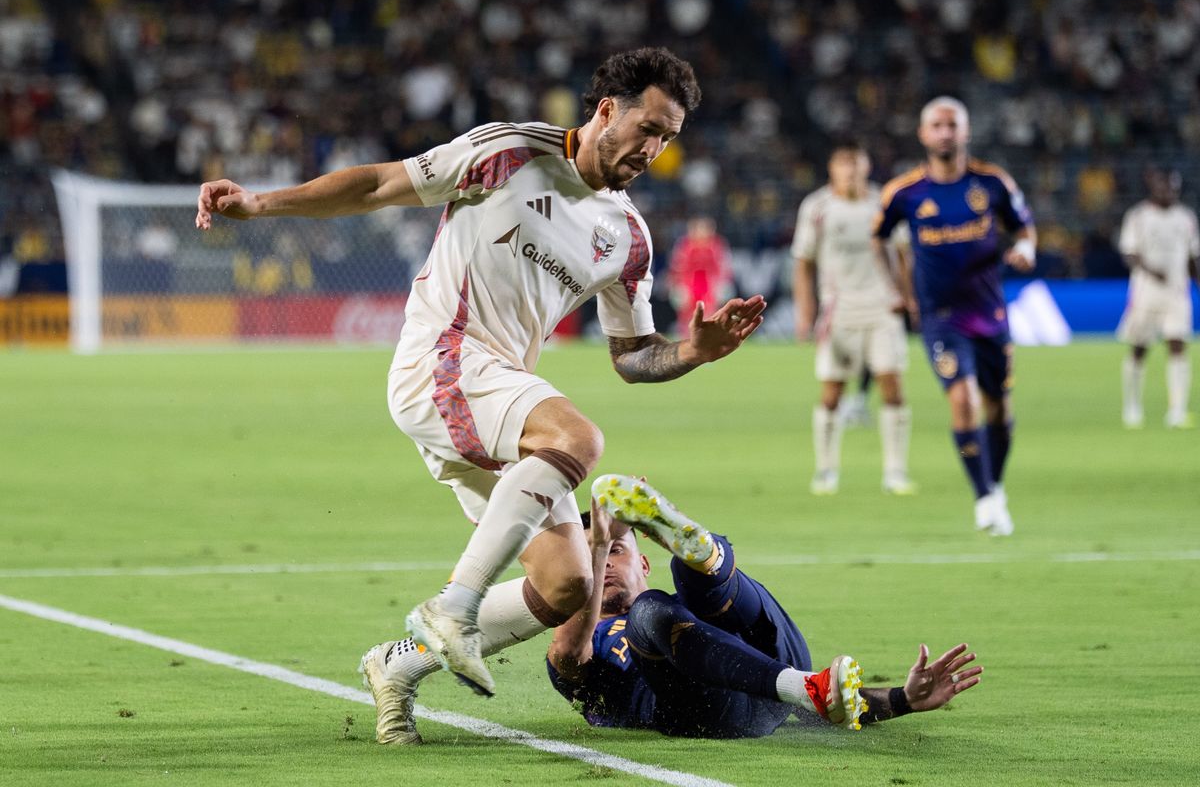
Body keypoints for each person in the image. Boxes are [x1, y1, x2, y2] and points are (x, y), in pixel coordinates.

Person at [195, 47, 767, 744]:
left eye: (668, 138)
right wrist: (261, 202)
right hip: (443, 362)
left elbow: (634, 357)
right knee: (580, 439)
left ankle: (399, 663)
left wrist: (693, 353)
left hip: (498, 401)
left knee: (568, 586)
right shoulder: (509, 153)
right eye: (648, 128)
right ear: (607, 110)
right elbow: (379, 184)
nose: (654, 148)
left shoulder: (629, 240)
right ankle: (453, 609)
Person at [546, 474, 983, 738]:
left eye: (614, 553)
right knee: (649, 613)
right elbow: (567, 656)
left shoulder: (685, 609)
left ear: (642, 561)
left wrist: (901, 700)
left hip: (773, 679)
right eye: (587, 558)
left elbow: (822, 707)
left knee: (691, 583)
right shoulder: (582, 638)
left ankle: (696, 551)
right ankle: (687, 544)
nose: (601, 566)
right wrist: (602, 543)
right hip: (698, 715)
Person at [873, 97, 1037, 536]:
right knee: (962, 400)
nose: (945, 132)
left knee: (998, 407)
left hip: (989, 314)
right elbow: (880, 239)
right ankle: (984, 497)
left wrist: (1025, 248)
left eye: (952, 125)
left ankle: (994, 483)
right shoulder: (904, 193)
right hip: (940, 317)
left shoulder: (993, 183)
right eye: (937, 125)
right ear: (924, 135)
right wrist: (898, 289)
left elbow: (1024, 227)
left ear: (965, 132)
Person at [793, 142, 915, 496]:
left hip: (883, 308)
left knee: (892, 387)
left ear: (866, 168)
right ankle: (826, 471)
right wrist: (806, 311)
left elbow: (904, 254)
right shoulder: (817, 208)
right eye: (843, 167)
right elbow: (803, 262)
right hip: (839, 310)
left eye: (856, 167)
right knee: (833, 392)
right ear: (833, 171)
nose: (850, 174)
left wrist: (909, 297)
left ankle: (895, 472)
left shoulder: (884, 204)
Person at [1117, 167, 1200, 429]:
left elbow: (1192, 257)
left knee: (1178, 346)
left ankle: (1176, 411)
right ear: (1155, 187)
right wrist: (1152, 270)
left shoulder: (1186, 217)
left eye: (1174, 189)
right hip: (1145, 295)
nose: (1170, 193)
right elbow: (1129, 253)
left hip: (1177, 294)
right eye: (1166, 188)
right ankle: (1132, 406)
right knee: (1139, 349)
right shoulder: (1139, 216)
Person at [667, 216, 733, 337]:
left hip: (709, 283)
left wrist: (723, 283)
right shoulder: (685, 245)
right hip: (689, 283)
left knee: (709, 311)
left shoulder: (717, 245)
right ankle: (686, 339)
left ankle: (706, 337)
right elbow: (677, 266)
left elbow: (723, 266)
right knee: (687, 314)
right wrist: (676, 285)